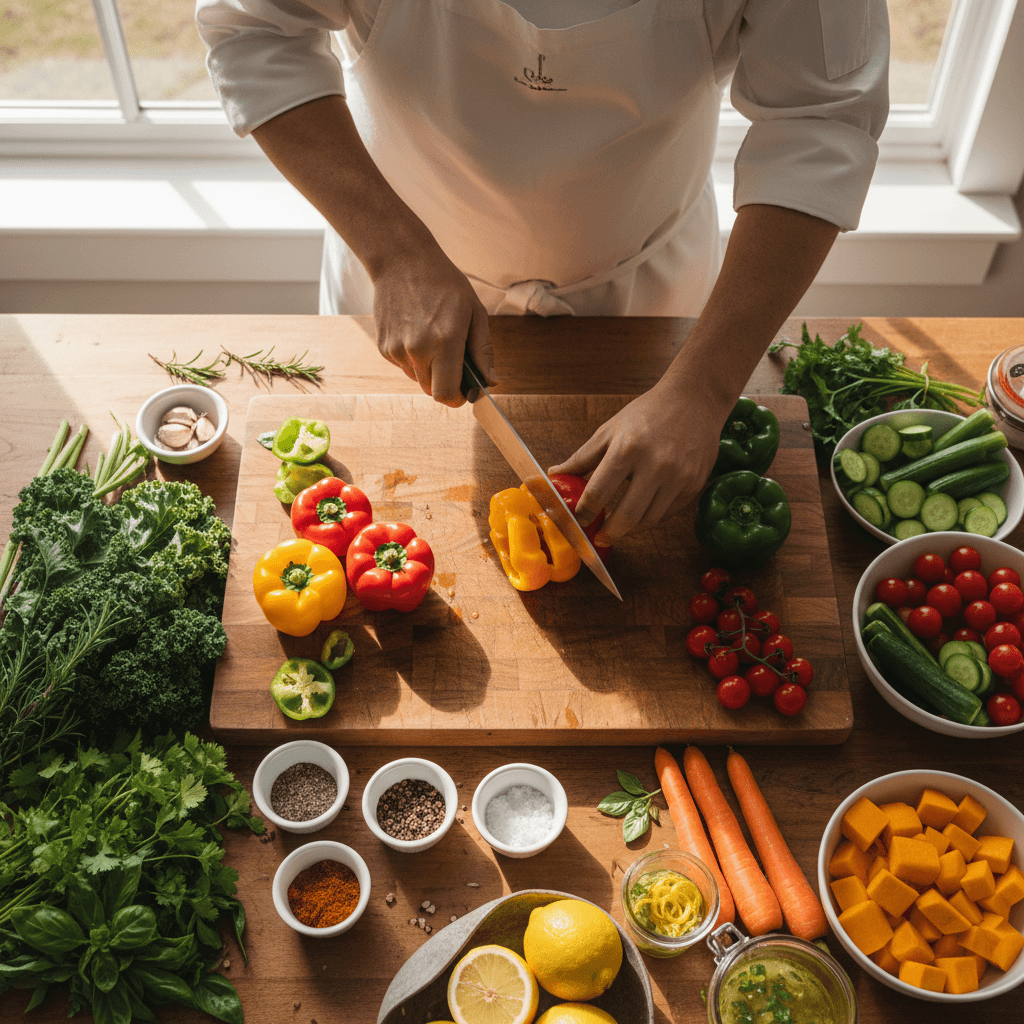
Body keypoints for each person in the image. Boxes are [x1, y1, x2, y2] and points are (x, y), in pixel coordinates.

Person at [196, 0, 888, 545]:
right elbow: (255, 31)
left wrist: (704, 390)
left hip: (650, 288)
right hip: (400, 271)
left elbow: (821, 120)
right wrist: (397, 251)